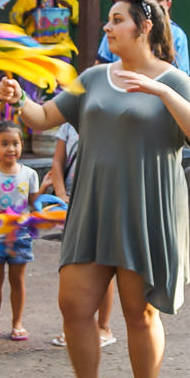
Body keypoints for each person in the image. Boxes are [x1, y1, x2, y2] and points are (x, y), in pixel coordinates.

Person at [0, 0, 190, 378]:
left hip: (146, 207)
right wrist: (19, 101)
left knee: (140, 315)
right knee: (73, 304)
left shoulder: (175, 80)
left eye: (117, 20)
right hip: (93, 206)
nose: (108, 27)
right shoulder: (93, 77)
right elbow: (44, 118)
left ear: (143, 26)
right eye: (108, 20)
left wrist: (160, 92)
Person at [41, 119, 116, 349]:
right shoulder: (67, 125)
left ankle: (103, 327)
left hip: (102, 199)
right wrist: (62, 195)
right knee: (73, 264)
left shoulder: (109, 119)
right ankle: (74, 326)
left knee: (103, 263)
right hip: (72, 204)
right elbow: (57, 161)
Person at [0, 121, 40, 342]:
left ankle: (17, 323)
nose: (11, 149)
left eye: (15, 143)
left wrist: (46, 187)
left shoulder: (30, 174)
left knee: (17, 280)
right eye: (5, 144)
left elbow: (34, 204)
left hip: (20, 235)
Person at [96, 0, 190, 73]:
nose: (107, 28)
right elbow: (100, 64)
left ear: (145, 27)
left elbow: (181, 74)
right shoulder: (114, 31)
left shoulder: (177, 34)